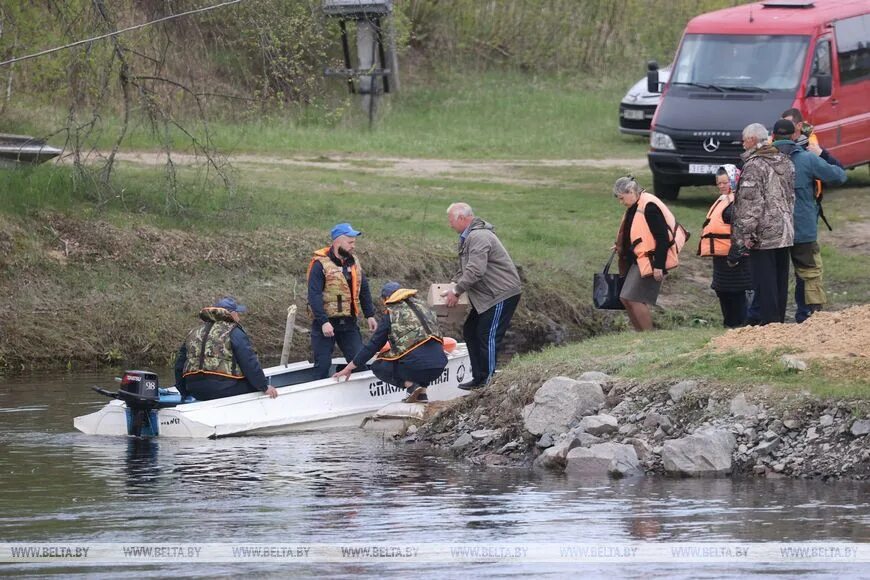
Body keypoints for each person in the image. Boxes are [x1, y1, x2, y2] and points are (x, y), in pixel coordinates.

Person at [772, 118, 847, 323]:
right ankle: (810, 317)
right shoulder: (806, 159)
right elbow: (839, 176)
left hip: (772, 231)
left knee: (773, 276)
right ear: (793, 135)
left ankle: (771, 321)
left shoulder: (761, 159)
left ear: (773, 136)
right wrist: (822, 153)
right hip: (802, 229)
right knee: (809, 274)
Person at [444, 202, 521, 391]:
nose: (450, 225)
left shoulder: (479, 236)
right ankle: (479, 378)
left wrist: (456, 291)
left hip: (500, 294)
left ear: (462, 218)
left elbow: (476, 270)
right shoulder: (469, 236)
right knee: (471, 330)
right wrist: (453, 283)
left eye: (451, 220)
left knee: (487, 335)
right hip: (487, 297)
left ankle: (488, 381)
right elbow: (465, 268)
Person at [333, 281, 448, 403]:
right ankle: (422, 394)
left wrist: (349, 367)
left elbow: (372, 346)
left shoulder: (392, 314)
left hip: (417, 367)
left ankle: (411, 386)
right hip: (439, 365)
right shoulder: (423, 307)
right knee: (421, 354)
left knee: (379, 366)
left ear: (387, 299)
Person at [731, 122, 795, 326]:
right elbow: (791, 196)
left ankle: (770, 326)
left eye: (744, 138)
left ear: (752, 139)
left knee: (765, 283)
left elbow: (751, 204)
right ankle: (780, 323)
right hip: (785, 230)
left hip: (764, 234)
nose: (742, 142)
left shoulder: (754, 166)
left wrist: (743, 237)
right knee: (780, 281)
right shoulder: (784, 160)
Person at [613, 176, 685, 331]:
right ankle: (640, 335)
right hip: (638, 259)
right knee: (625, 298)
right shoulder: (635, 205)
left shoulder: (650, 207)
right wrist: (621, 246)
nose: (621, 202)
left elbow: (662, 238)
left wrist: (659, 266)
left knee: (634, 299)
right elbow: (635, 231)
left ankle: (648, 336)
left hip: (651, 260)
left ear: (631, 191)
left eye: (621, 198)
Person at [307, 222, 378, 379]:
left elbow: (363, 289)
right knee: (323, 364)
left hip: (349, 323)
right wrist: (323, 321)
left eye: (354, 242)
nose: (353, 246)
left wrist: (370, 315)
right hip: (325, 324)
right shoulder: (320, 265)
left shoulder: (354, 263)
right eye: (350, 242)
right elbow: (314, 295)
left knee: (359, 360)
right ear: (338, 242)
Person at [174, 297, 278, 401]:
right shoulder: (234, 332)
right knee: (254, 387)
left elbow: (179, 366)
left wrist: (184, 392)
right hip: (223, 389)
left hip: (195, 390)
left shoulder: (194, 332)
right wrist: (264, 386)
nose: (239, 317)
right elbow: (248, 362)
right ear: (231, 314)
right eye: (237, 313)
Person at [698, 165, 752, 328]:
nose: (721, 186)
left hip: (735, 260)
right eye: (718, 183)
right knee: (723, 291)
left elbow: (742, 232)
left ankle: (741, 327)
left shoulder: (737, 203)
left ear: (734, 180)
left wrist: (734, 256)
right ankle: (729, 325)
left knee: (736, 294)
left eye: (725, 182)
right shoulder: (723, 200)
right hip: (721, 259)